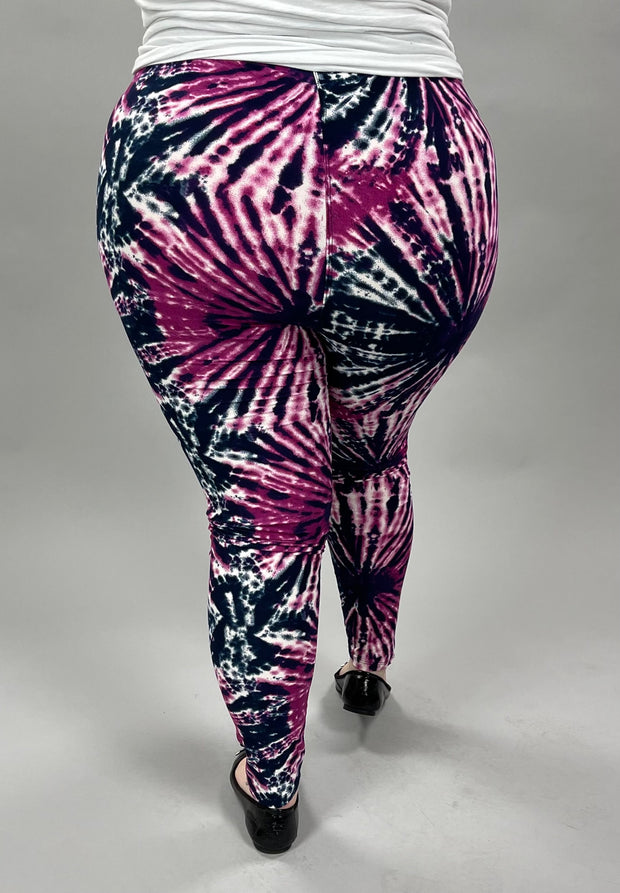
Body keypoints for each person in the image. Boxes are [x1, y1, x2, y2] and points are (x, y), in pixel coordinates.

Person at [95, 0, 499, 854]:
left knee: (261, 500)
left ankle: (272, 780)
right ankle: (369, 665)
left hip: (193, 150)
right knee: (372, 453)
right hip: (420, 153)